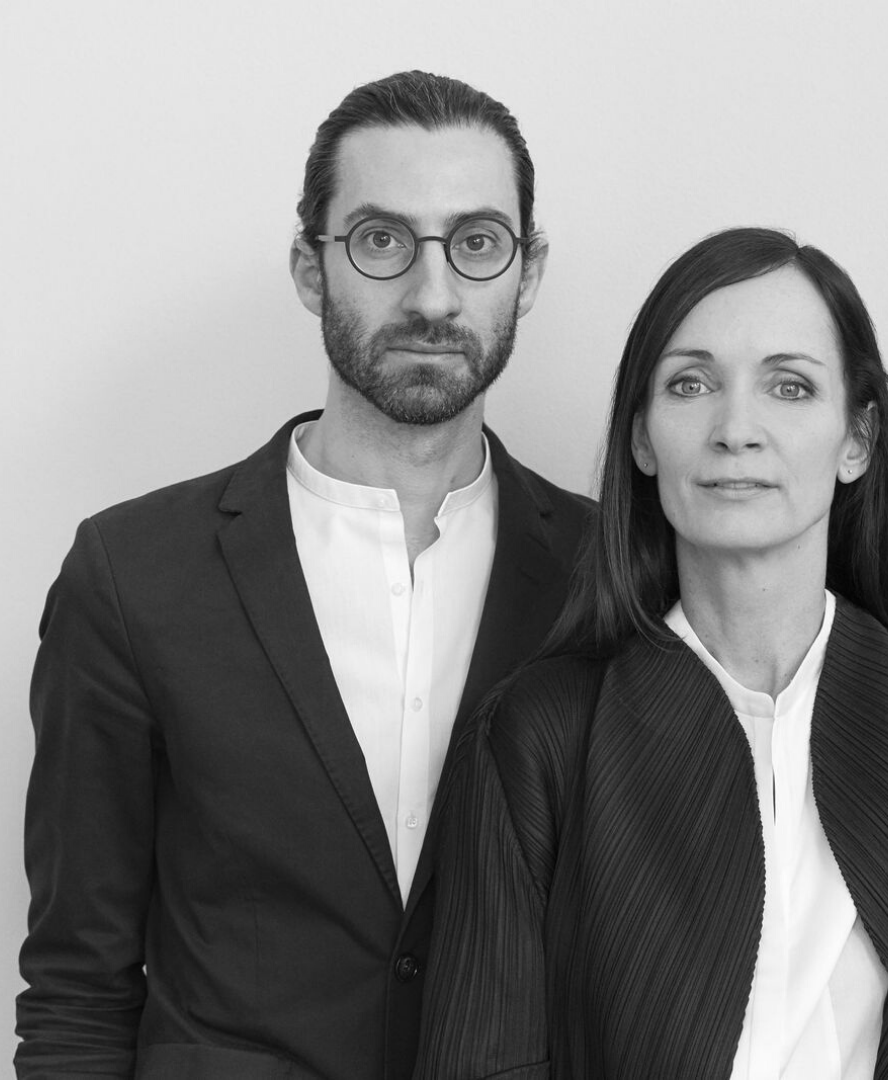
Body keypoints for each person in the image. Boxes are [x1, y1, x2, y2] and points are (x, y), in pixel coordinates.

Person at [17, 71, 592, 1080]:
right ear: (309, 268)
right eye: (381, 241)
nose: (432, 296)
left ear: (528, 271)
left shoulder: (607, 571)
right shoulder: (133, 575)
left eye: (476, 243)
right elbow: (77, 990)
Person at [414, 227, 888, 1080]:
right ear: (643, 439)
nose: (736, 429)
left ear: (857, 440)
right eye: (691, 384)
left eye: (790, 386)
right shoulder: (536, 734)